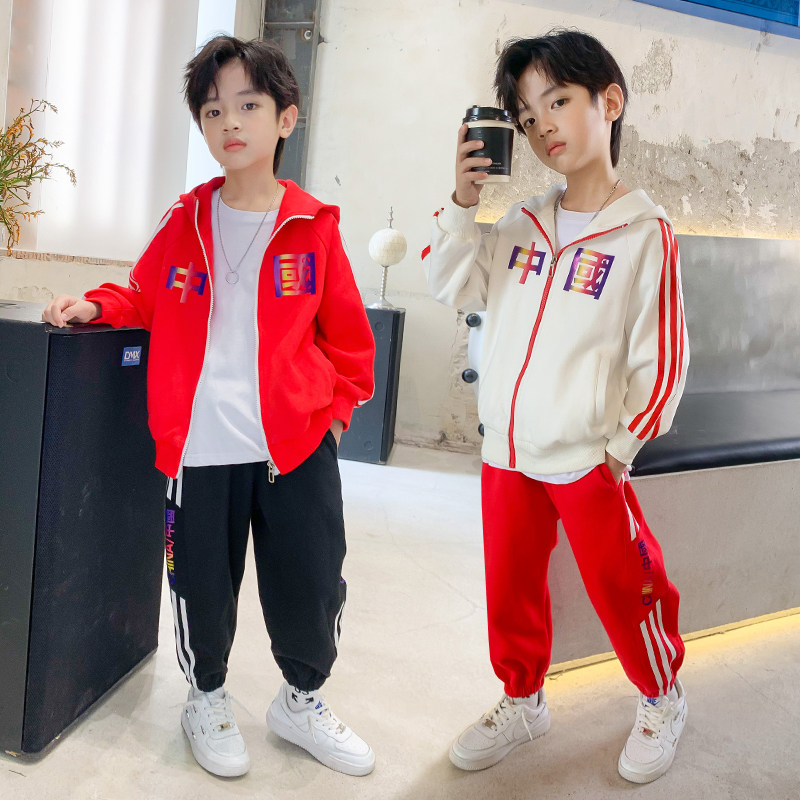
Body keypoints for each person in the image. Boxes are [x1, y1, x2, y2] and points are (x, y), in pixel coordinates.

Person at [42, 35, 376, 779]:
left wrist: (330, 421)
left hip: (294, 447)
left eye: (248, 106)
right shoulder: (185, 221)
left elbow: (351, 343)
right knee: (201, 585)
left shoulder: (314, 227)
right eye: (213, 110)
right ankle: (208, 697)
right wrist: (95, 304)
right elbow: (142, 296)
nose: (230, 122)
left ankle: (301, 701)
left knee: (312, 578)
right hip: (201, 448)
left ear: (285, 118)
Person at [423, 29, 689, 784]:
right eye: (526, 115)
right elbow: (453, 285)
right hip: (507, 451)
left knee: (625, 587)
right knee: (510, 590)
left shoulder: (645, 234)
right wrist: (463, 203)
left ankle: (662, 696)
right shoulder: (521, 224)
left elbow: (663, 359)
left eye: (558, 101)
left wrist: (619, 448)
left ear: (610, 102)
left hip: (587, 455)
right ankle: (522, 700)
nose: (542, 126)